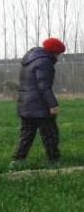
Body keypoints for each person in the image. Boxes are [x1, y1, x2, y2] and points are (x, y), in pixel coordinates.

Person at [12, 38, 66, 168]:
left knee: (26, 134)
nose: (59, 56)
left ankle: (17, 161)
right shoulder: (44, 62)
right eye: (58, 53)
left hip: (25, 104)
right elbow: (44, 87)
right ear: (54, 52)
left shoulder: (30, 60)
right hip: (39, 106)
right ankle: (54, 161)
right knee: (50, 133)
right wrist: (53, 105)